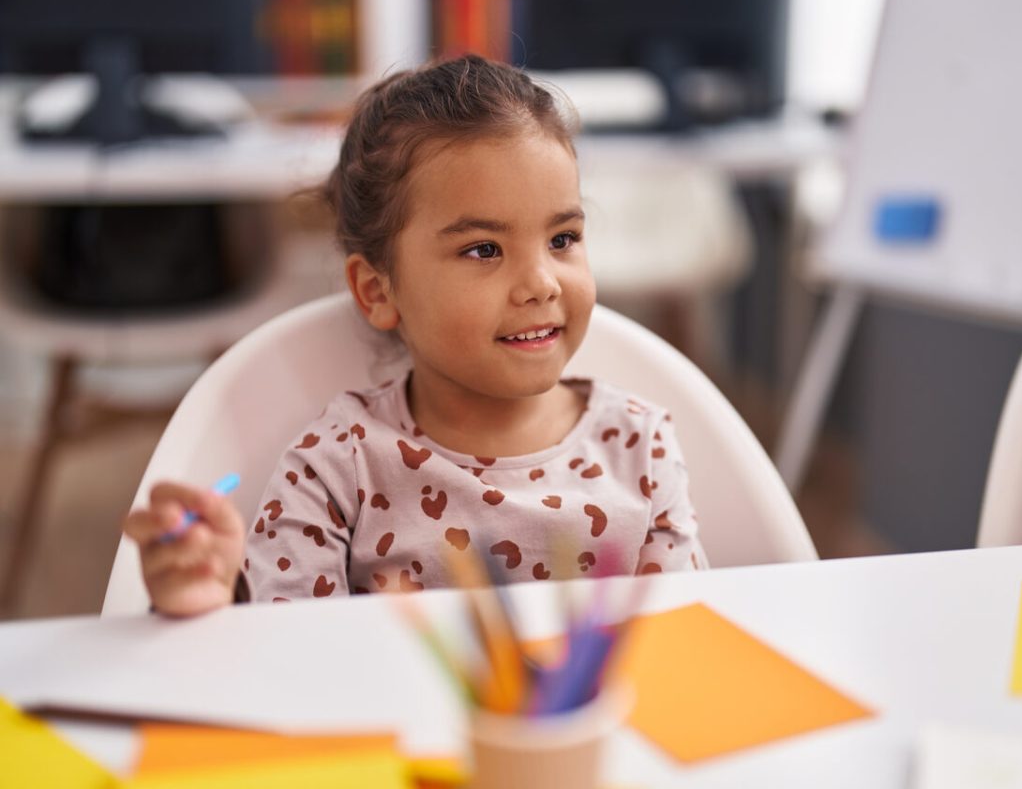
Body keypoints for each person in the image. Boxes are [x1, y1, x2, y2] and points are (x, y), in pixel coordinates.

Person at [123, 54, 708, 616]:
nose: (541, 284)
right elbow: (285, 659)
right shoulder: (337, 465)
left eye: (562, 239)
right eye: (484, 249)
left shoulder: (640, 446)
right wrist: (214, 606)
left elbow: (679, 652)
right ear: (378, 291)